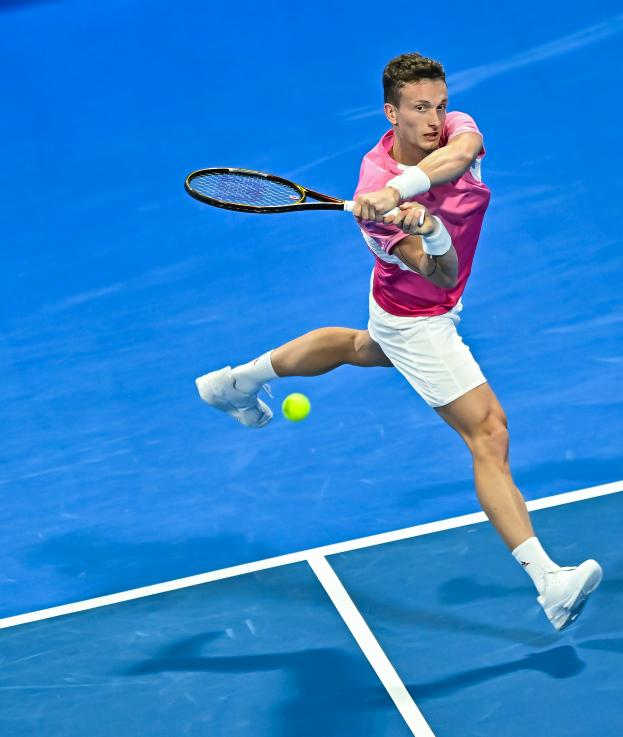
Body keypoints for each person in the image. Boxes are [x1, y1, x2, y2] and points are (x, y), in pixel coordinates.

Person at [195, 52, 602, 630]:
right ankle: (549, 584)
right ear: (391, 113)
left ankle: (233, 383)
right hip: (418, 316)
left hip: (408, 308)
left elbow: (461, 153)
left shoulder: (453, 130)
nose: (435, 120)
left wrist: (404, 191)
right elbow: (439, 275)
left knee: (361, 347)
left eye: (439, 105)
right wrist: (426, 228)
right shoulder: (371, 197)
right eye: (419, 109)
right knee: (488, 432)